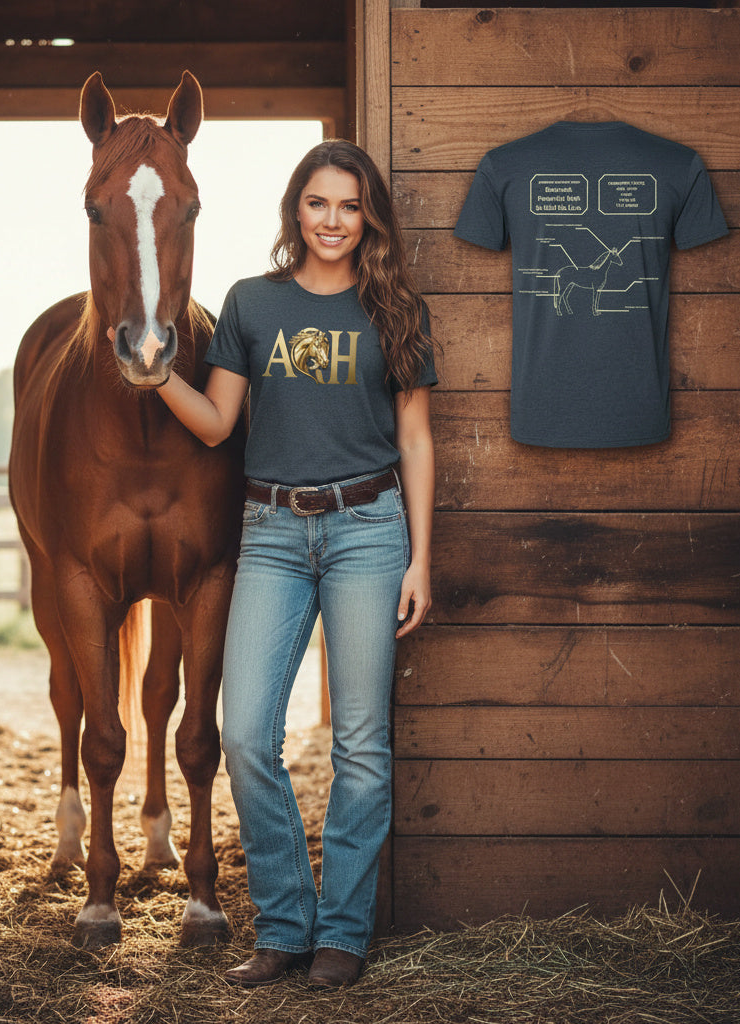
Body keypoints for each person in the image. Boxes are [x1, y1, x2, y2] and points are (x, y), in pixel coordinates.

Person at [156, 139, 437, 989]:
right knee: (244, 734)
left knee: (360, 744)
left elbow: (416, 438)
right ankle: (284, 925)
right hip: (272, 533)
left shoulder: (396, 309)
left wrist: (421, 558)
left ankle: (341, 935)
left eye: (350, 205)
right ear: (296, 209)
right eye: (318, 203)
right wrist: (156, 374)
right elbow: (216, 423)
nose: (333, 221)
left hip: (368, 531)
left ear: (368, 217)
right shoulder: (253, 303)